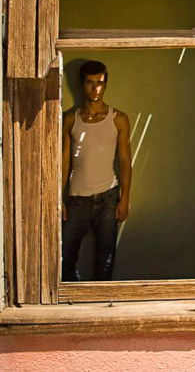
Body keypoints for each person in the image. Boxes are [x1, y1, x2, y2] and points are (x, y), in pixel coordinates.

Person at [61, 60, 132, 281]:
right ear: (81, 84)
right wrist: (58, 199)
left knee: (105, 260)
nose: (96, 88)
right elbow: (64, 162)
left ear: (106, 84)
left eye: (100, 83)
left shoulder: (118, 119)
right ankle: (73, 310)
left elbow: (125, 160)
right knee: (65, 259)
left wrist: (125, 198)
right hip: (77, 199)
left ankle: (101, 309)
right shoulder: (71, 119)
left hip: (108, 197)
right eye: (90, 83)